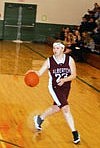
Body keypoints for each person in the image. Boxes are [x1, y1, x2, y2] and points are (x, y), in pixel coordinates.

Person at [27, 40, 80, 144]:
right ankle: (75, 133)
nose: (54, 50)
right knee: (65, 108)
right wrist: (32, 73)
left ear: (62, 49)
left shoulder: (69, 60)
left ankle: (39, 118)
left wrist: (64, 80)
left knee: (56, 108)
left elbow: (74, 75)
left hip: (66, 87)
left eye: (57, 48)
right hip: (54, 87)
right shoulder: (49, 61)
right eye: (54, 48)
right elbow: (39, 73)